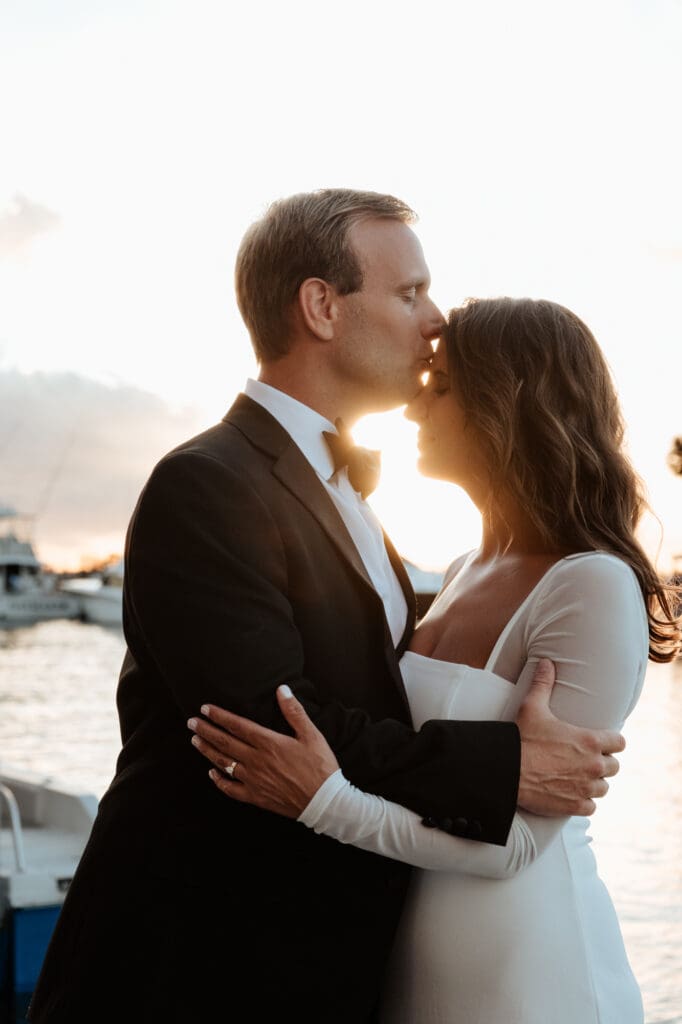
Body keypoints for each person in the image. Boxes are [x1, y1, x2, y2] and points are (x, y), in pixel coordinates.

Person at [30, 194, 624, 1024]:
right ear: (321, 307)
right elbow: (275, 720)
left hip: (330, 964)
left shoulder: (348, 498)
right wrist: (503, 767)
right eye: (410, 292)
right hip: (195, 963)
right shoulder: (208, 483)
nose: (436, 320)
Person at [189, 296, 681, 1023]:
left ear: (510, 406)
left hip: (527, 967)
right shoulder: (458, 572)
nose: (416, 410)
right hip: (410, 954)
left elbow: (515, 846)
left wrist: (324, 802)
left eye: (442, 387)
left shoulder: (591, 585)